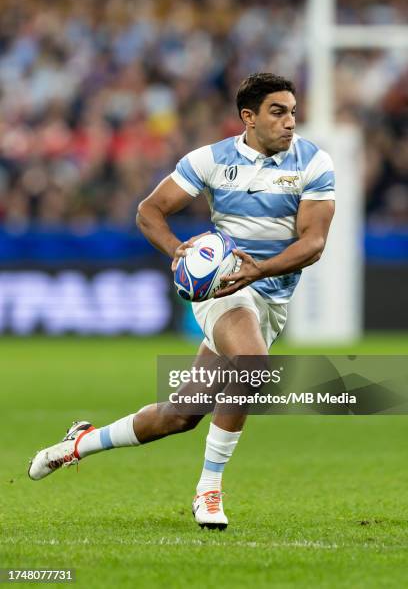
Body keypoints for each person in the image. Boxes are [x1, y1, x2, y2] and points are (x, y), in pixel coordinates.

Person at [28, 73, 335, 530]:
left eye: (292, 111)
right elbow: (149, 211)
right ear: (247, 118)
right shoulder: (210, 160)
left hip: (270, 291)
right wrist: (178, 251)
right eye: (278, 111)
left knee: (181, 414)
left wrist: (260, 270)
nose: (290, 122)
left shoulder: (313, 162)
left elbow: (313, 243)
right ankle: (209, 489)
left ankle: (78, 444)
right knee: (252, 361)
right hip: (223, 289)